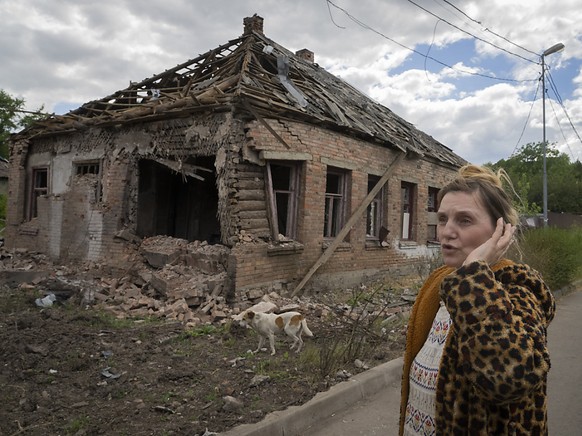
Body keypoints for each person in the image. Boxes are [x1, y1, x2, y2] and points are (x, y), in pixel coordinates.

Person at [399, 164, 555, 435]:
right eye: (443, 219)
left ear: (501, 231)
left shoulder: (518, 291)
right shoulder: (442, 287)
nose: (446, 231)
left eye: (464, 220)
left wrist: (474, 273)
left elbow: (510, 378)